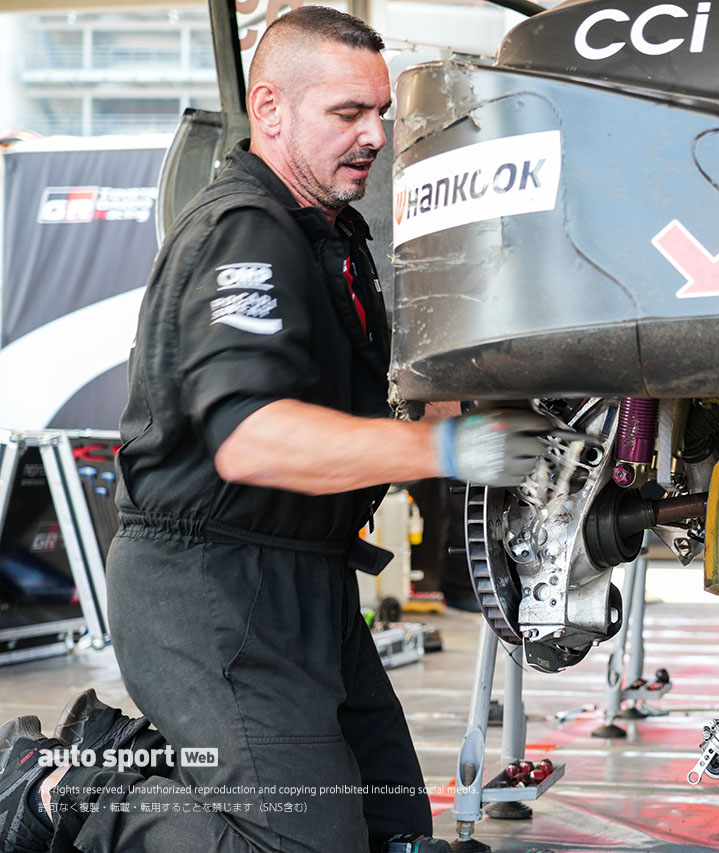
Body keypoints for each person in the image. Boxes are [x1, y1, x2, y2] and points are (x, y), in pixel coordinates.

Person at [0, 8, 552, 852]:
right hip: (212, 587)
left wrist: (491, 409)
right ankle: (66, 789)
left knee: (395, 834)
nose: (376, 136)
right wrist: (444, 450)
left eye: (380, 113)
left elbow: (370, 403)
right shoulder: (242, 231)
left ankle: (156, 769)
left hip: (307, 578)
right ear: (270, 110)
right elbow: (252, 437)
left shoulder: (332, 234)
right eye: (348, 114)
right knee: (296, 845)